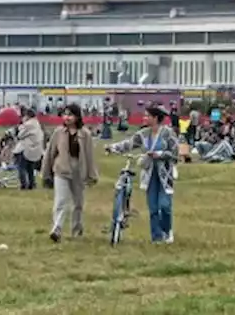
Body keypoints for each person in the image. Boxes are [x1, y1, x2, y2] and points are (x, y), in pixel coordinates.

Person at [107, 106, 180, 243]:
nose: (144, 118)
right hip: (149, 174)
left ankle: (166, 230)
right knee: (153, 207)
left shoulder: (168, 133)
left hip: (165, 175)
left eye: (148, 116)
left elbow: (175, 155)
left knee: (164, 206)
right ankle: (156, 238)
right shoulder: (143, 134)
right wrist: (113, 147)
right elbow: (129, 144)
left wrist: (160, 154)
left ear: (156, 118)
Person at [41, 104, 98, 242]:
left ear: (77, 117)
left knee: (78, 203)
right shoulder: (58, 132)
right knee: (60, 201)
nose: (67, 117)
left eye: (70, 114)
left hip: (79, 171)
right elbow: (50, 153)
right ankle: (57, 229)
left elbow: (89, 156)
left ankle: (76, 231)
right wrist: (45, 172)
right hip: (61, 170)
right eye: (65, 114)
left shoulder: (85, 134)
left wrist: (92, 175)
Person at [15, 108, 46, 190]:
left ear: (27, 116)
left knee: (21, 168)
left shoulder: (27, 125)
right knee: (30, 169)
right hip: (35, 150)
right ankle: (31, 184)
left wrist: (21, 126)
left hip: (26, 149)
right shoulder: (38, 124)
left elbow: (20, 135)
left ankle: (23, 184)